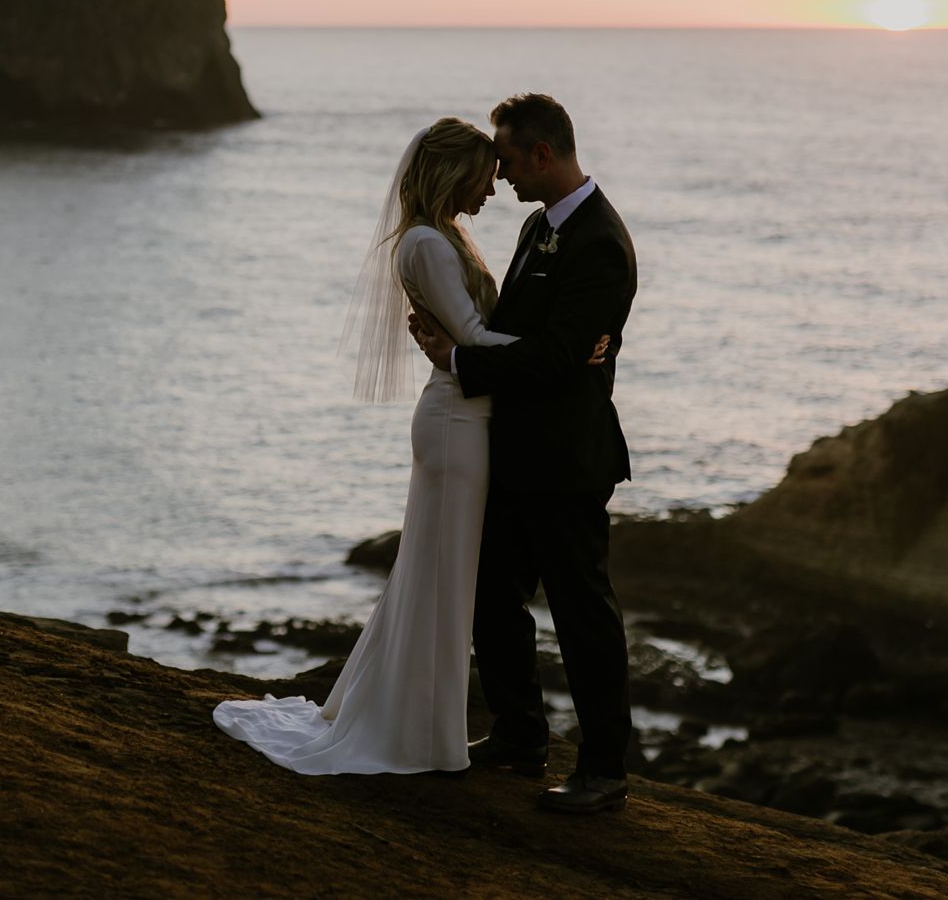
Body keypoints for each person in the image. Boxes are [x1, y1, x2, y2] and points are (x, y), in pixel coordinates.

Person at [212, 117, 518, 773]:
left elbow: (466, 337)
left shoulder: (443, 237)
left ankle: (417, 724)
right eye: (485, 174)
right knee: (441, 582)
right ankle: (415, 736)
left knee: (436, 579)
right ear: (455, 171)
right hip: (455, 424)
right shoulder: (430, 245)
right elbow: (468, 335)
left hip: (464, 417)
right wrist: (559, 351)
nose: (494, 187)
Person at [410, 93, 638, 815]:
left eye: (506, 158)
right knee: (491, 596)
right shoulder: (539, 226)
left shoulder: (599, 239)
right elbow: (535, 339)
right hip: (510, 453)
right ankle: (519, 733)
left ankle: (604, 767)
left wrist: (462, 361)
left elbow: (560, 356)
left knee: (581, 612)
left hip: (567, 460)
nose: (498, 173)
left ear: (543, 153)